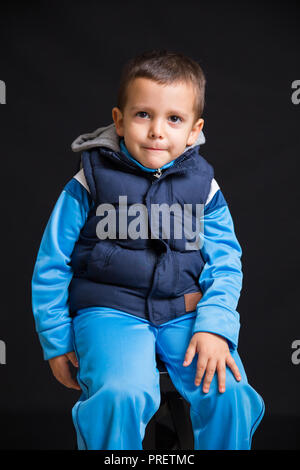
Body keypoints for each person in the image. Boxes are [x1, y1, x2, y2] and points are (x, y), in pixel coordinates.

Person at [31, 49, 265, 450]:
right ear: (119, 121)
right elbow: (52, 264)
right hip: (109, 311)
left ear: (194, 130)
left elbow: (226, 264)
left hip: (183, 313)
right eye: (143, 115)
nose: (157, 130)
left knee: (232, 396)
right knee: (121, 394)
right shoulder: (89, 182)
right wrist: (56, 340)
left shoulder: (203, 188)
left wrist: (215, 326)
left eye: (174, 119)